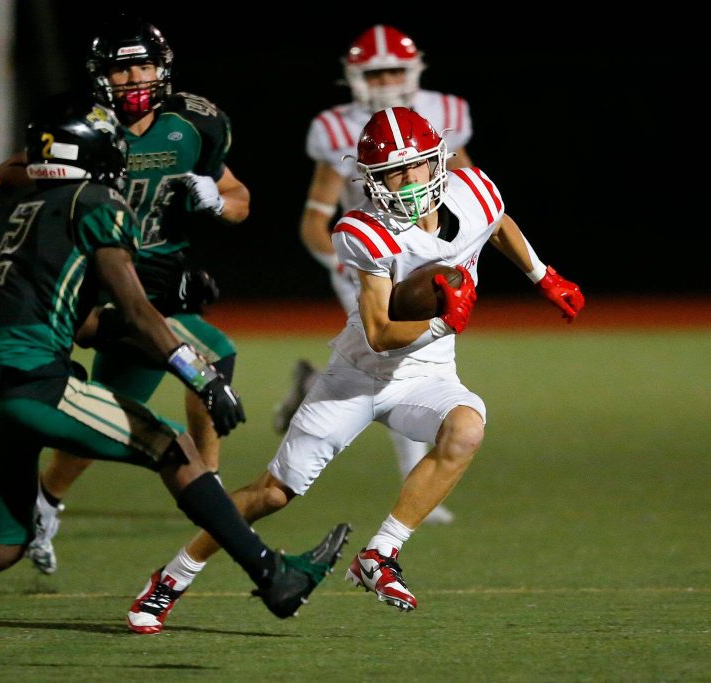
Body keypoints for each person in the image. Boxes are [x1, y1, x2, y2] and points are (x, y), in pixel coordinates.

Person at [0, 99, 349, 671]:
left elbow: (87, 324)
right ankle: (273, 576)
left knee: (5, 540)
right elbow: (133, 307)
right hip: (33, 382)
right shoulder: (96, 201)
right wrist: (200, 376)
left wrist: (173, 302)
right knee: (172, 446)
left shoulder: (27, 209)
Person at [124, 106, 584, 634]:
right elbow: (380, 333)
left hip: (427, 375)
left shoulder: (473, 189)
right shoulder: (363, 230)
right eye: (393, 172)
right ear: (372, 179)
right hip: (357, 378)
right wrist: (442, 323)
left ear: (438, 160)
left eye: (415, 167)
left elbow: (495, 223)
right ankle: (172, 577)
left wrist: (543, 276)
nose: (408, 181)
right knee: (272, 493)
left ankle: (380, 554)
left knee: (466, 429)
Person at [0, 17, 251, 575]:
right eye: (120, 67)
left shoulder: (193, 127)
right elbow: (3, 176)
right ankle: (210, 487)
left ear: (163, 69)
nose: (133, 78)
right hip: (100, 278)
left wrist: (216, 200)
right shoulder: (89, 126)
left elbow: (239, 197)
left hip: (160, 280)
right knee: (210, 357)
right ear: (101, 76)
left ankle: (44, 502)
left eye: (142, 65)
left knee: (115, 406)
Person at [274, 25, 475, 525]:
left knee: (386, 365)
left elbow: (468, 186)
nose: (385, 80)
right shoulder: (337, 128)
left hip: (426, 257)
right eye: (375, 72)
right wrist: (350, 266)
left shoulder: (445, 113)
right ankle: (420, 493)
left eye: (393, 70)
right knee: (398, 364)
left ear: (413, 71)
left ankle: (311, 386)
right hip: (374, 262)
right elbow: (314, 218)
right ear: (354, 76)